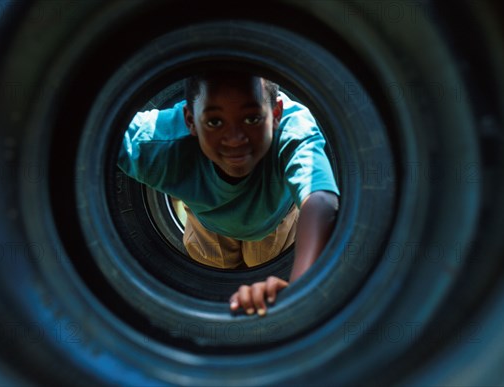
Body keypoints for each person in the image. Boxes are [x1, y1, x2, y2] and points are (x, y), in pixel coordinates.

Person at [118, 71, 339, 316]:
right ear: (190, 121)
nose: (235, 139)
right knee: (217, 276)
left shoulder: (293, 127)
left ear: (276, 114)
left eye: (252, 118)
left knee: (263, 271)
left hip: (275, 220)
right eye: (214, 122)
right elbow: (93, 129)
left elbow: (320, 201)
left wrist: (300, 293)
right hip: (208, 226)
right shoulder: (158, 142)